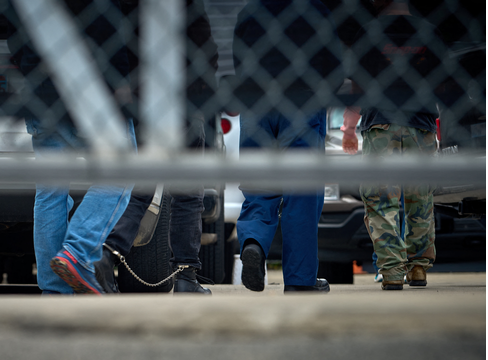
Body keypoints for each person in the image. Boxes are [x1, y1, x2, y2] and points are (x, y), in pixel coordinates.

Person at [9, 0, 137, 295]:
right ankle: (78, 252)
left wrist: (31, 69)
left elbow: (12, 28)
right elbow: (121, 24)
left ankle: (54, 291)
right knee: (122, 171)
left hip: (40, 87)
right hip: (95, 86)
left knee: (50, 191)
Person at [94, 0, 219, 295]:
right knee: (188, 192)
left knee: (143, 183)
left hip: (142, 97)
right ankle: (186, 276)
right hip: (182, 97)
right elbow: (205, 45)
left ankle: (109, 252)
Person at [232, 0, 343, 294]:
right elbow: (336, 65)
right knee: (302, 193)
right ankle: (299, 279)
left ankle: (253, 243)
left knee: (258, 186)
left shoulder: (250, 11)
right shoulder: (318, 9)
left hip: (255, 102)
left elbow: (236, 61)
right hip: (303, 100)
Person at [341, 0, 445, 290]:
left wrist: (349, 128)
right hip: (421, 124)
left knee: (380, 200)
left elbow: (358, 86)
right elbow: (444, 85)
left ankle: (391, 272)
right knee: (420, 200)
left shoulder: (369, 33)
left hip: (380, 123)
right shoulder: (430, 33)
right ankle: (419, 269)